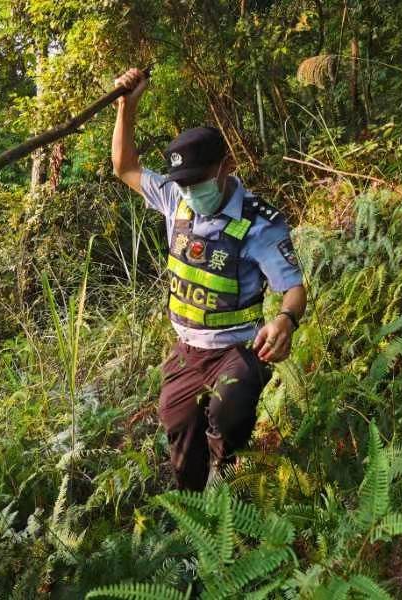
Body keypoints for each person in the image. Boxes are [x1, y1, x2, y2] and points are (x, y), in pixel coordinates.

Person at [111, 67, 307, 491]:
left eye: (198, 183)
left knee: (228, 411)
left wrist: (285, 321)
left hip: (239, 348)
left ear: (226, 167)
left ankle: (233, 480)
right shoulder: (174, 199)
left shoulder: (259, 224)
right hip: (186, 350)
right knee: (177, 426)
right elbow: (124, 166)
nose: (189, 192)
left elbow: (293, 287)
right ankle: (195, 506)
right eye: (183, 184)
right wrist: (128, 104)